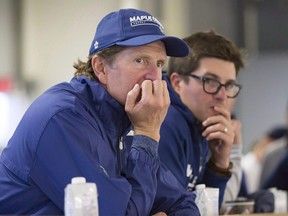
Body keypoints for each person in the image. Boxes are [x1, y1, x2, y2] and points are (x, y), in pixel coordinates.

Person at [0, 8, 200, 215]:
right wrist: (148, 133)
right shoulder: (63, 117)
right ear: (101, 68)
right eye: (140, 60)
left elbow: (181, 201)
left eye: (159, 64)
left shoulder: (126, 120)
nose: (155, 76)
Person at [158, 30, 246, 207]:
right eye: (210, 81)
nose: (222, 95)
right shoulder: (166, 122)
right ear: (177, 83)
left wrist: (219, 162)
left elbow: (206, 209)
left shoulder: (202, 124)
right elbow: (171, 209)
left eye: (229, 85)